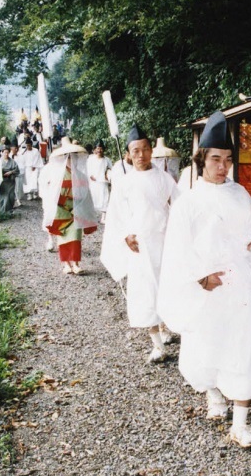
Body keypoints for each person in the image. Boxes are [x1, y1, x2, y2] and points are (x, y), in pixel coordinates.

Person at [157, 111, 251, 449]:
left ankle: (241, 425)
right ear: (201, 160)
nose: (222, 166)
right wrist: (200, 277)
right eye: (215, 159)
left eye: (227, 159)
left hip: (238, 286)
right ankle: (213, 392)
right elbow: (178, 247)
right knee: (206, 348)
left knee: (246, 350)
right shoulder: (189, 202)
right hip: (207, 289)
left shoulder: (241, 194)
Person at [101, 126, 179, 362]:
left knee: (167, 286)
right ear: (128, 154)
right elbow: (116, 215)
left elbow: (179, 206)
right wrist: (126, 234)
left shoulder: (164, 178)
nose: (142, 155)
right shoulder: (123, 182)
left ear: (151, 150)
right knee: (145, 291)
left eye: (146, 149)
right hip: (140, 244)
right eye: (136, 151)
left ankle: (166, 327)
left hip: (164, 240)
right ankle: (157, 344)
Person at [41, 136, 98, 274]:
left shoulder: (80, 175)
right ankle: (66, 264)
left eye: (73, 157)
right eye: (68, 157)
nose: (71, 160)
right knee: (64, 238)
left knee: (76, 238)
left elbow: (85, 195)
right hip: (61, 210)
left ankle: (76, 263)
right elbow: (52, 195)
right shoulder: (56, 176)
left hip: (76, 210)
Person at [87, 139, 113, 224]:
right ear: (95, 149)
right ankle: (93, 217)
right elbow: (87, 169)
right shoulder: (91, 159)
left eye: (101, 148)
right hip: (93, 183)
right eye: (98, 148)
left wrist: (108, 175)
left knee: (105, 199)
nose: (99, 150)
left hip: (103, 183)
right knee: (93, 199)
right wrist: (90, 175)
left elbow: (110, 170)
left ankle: (103, 217)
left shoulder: (107, 160)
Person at [0, 145, 20, 214]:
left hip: (10, 182)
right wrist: (2, 173)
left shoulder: (12, 161)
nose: (6, 154)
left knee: (10, 196)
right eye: (5, 152)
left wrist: (11, 172)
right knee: (3, 196)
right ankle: (3, 211)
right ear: (2, 153)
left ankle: (9, 210)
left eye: (7, 152)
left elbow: (17, 170)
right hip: (2, 182)